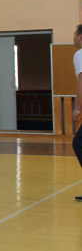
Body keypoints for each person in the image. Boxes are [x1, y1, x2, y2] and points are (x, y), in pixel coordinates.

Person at [71, 25, 82, 202]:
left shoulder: (80, 54)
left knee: (78, 143)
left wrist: (78, 107)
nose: (73, 37)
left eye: (75, 34)